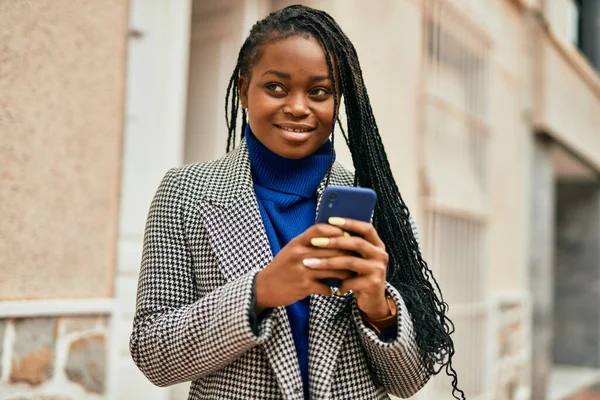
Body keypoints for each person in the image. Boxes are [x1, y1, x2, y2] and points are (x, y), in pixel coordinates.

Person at [130, 5, 464, 400]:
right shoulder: (184, 193)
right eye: (276, 87)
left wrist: (379, 307)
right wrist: (261, 292)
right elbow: (153, 354)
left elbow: (409, 382)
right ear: (243, 90)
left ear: (337, 101)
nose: (299, 107)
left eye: (319, 92)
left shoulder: (373, 202)